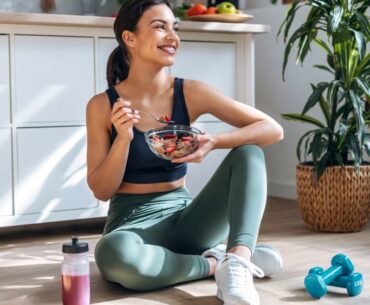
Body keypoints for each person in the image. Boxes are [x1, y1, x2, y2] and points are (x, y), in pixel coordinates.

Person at [86, 1, 284, 304]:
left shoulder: (190, 92)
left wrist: (216, 141)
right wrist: (123, 138)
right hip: (131, 225)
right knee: (113, 255)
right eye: (160, 27)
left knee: (248, 152)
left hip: (188, 220)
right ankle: (216, 263)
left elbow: (271, 129)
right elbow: (101, 190)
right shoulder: (102, 106)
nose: (172, 36)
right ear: (130, 38)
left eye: (174, 28)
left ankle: (238, 260)